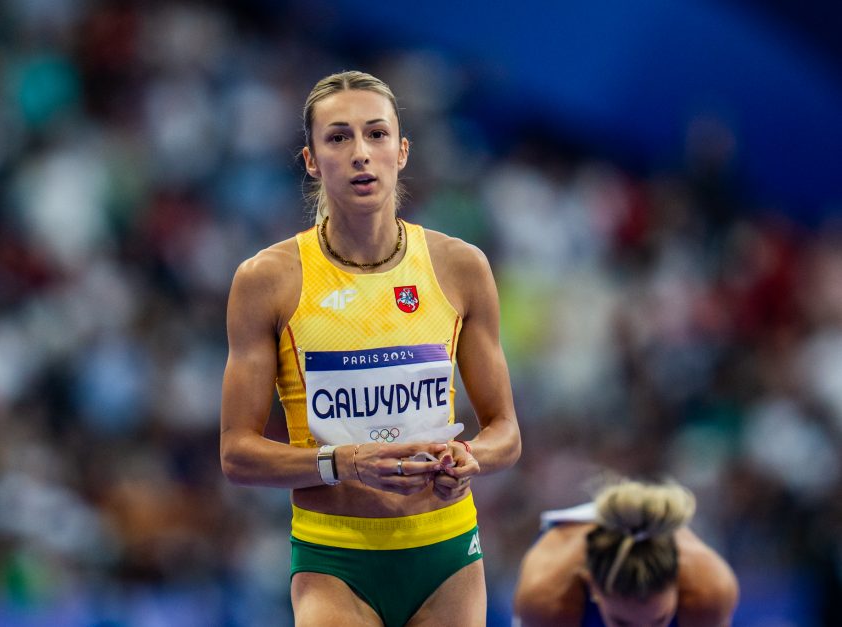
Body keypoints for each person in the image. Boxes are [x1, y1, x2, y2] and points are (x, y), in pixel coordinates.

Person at [219, 70, 521, 626]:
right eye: (338, 137)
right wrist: (344, 462)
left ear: (401, 151)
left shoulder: (460, 267)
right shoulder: (268, 279)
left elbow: (506, 432)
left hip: (447, 553)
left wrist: (470, 457)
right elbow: (236, 454)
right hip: (335, 560)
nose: (361, 153)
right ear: (311, 160)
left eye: (376, 134)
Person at [512, 479, 739, 627]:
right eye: (622, 624)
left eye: (658, 622)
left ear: (678, 583)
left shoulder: (710, 592)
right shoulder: (547, 600)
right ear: (592, 586)